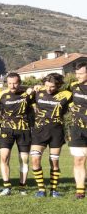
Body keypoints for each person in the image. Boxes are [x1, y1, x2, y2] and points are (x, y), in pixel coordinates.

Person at [30, 73, 72, 197]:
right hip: (39, 131)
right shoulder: (38, 92)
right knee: (35, 160)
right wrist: (30, 88)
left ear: (58, 85)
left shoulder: (66, 95)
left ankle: (54, 190)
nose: (49, 89)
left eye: (52, 86)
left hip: (56, 132)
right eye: (47, 85)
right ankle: (41, 189)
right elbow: (19, 92)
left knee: (54, 162)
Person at [0, 73, 35, 195]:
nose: (12, 85)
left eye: (15, 83)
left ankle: (22, 187)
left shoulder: (27, 94)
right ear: (7, 83)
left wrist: (33, 88)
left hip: (23, 130)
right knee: (4, 157)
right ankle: (7, 187)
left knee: (24, 159)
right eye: (10, 83)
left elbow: (42, 90)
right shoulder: (1, 95)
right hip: (7, 130)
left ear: (19, 82)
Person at [68, 62, 87, 199]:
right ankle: (80, 191)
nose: (77, 76)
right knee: (78, 160)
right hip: (77, 129)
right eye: (77, 73)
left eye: (80, 73)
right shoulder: (73, 86)